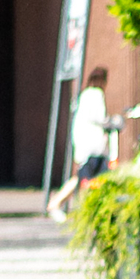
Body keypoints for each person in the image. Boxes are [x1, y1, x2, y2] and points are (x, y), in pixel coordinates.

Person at [49, 66, 114, 220]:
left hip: (83, 141)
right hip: (94, 144)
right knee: (86, 175)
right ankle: (56, 203)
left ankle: (60, 203)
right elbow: (100, 117)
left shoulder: (84, 94)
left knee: (87, 175)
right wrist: (111, 122)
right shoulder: (97, 94)